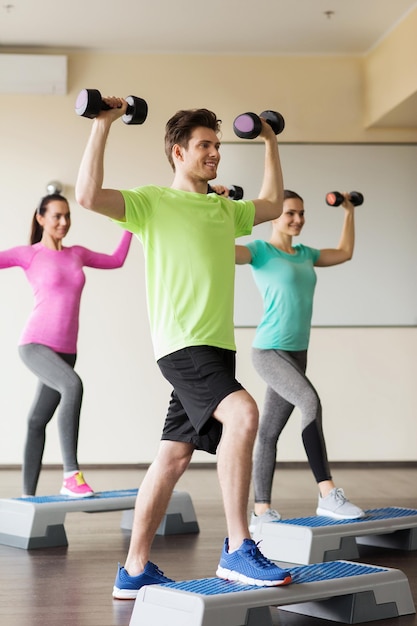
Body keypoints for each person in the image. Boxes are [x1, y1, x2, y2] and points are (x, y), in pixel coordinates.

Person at [75, 100, 292, 598]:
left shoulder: (223, 209)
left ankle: (133, 569)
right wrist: (103, 124)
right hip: (182, 344)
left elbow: (273, 205)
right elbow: (87, 195)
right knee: (243, 414)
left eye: (217, 145)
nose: (215, 153)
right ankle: (239, 547)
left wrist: (270, 141)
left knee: (172, 457)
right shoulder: (152, 203)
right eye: (205, 146)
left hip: (216, 347)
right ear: (178, 152)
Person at [235, 189, 365, 532]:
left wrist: (348, 212)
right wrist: (219, 206)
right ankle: (326, 492)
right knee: (310, 401)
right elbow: (219, 248)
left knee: (268, 433)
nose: (298, 219)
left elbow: (345, 252)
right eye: (290, 213)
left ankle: (261, 509)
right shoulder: (259, 251)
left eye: (302, 213)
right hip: (269, 350)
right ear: (274, 215)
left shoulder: (306, 254)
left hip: (297, 352)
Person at [0, 193, 133, 497]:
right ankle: (71, 475)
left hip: (66, 351)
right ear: (41, 218)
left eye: (67, 216)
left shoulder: (77, 254)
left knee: (37, 420)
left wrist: (131, 226)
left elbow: (116, 260)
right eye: (57, 216)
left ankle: (26, 498)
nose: (63, 222)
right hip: (35, 345)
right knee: (72, 387)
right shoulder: (29, 254)